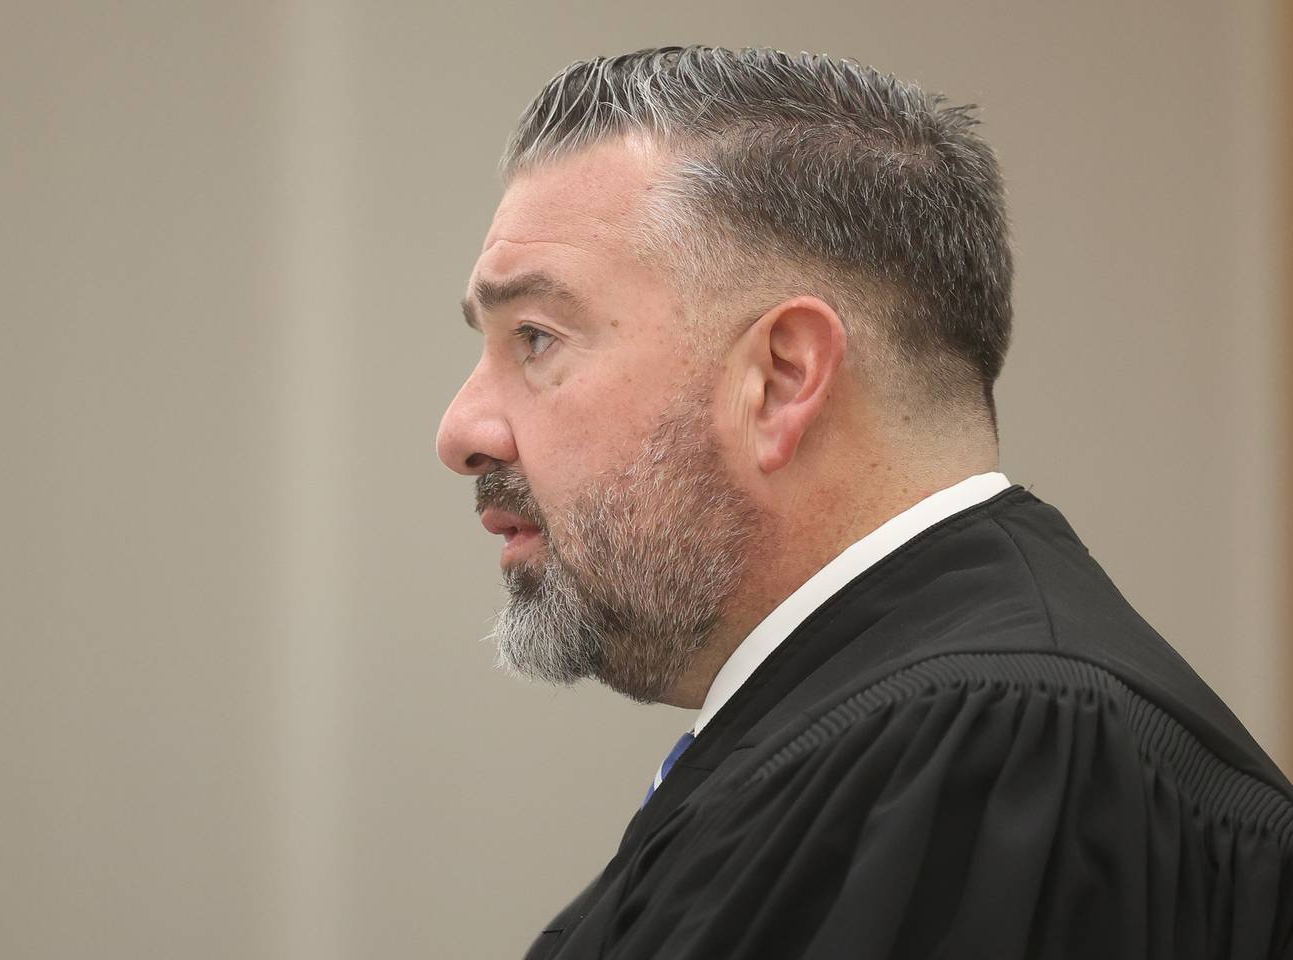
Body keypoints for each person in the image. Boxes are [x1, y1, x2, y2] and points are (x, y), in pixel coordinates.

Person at [434, 46, 1293, 959]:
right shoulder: (908, 732)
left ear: (781, 377)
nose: (461, 430)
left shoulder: (983, 763)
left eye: (535, 338)